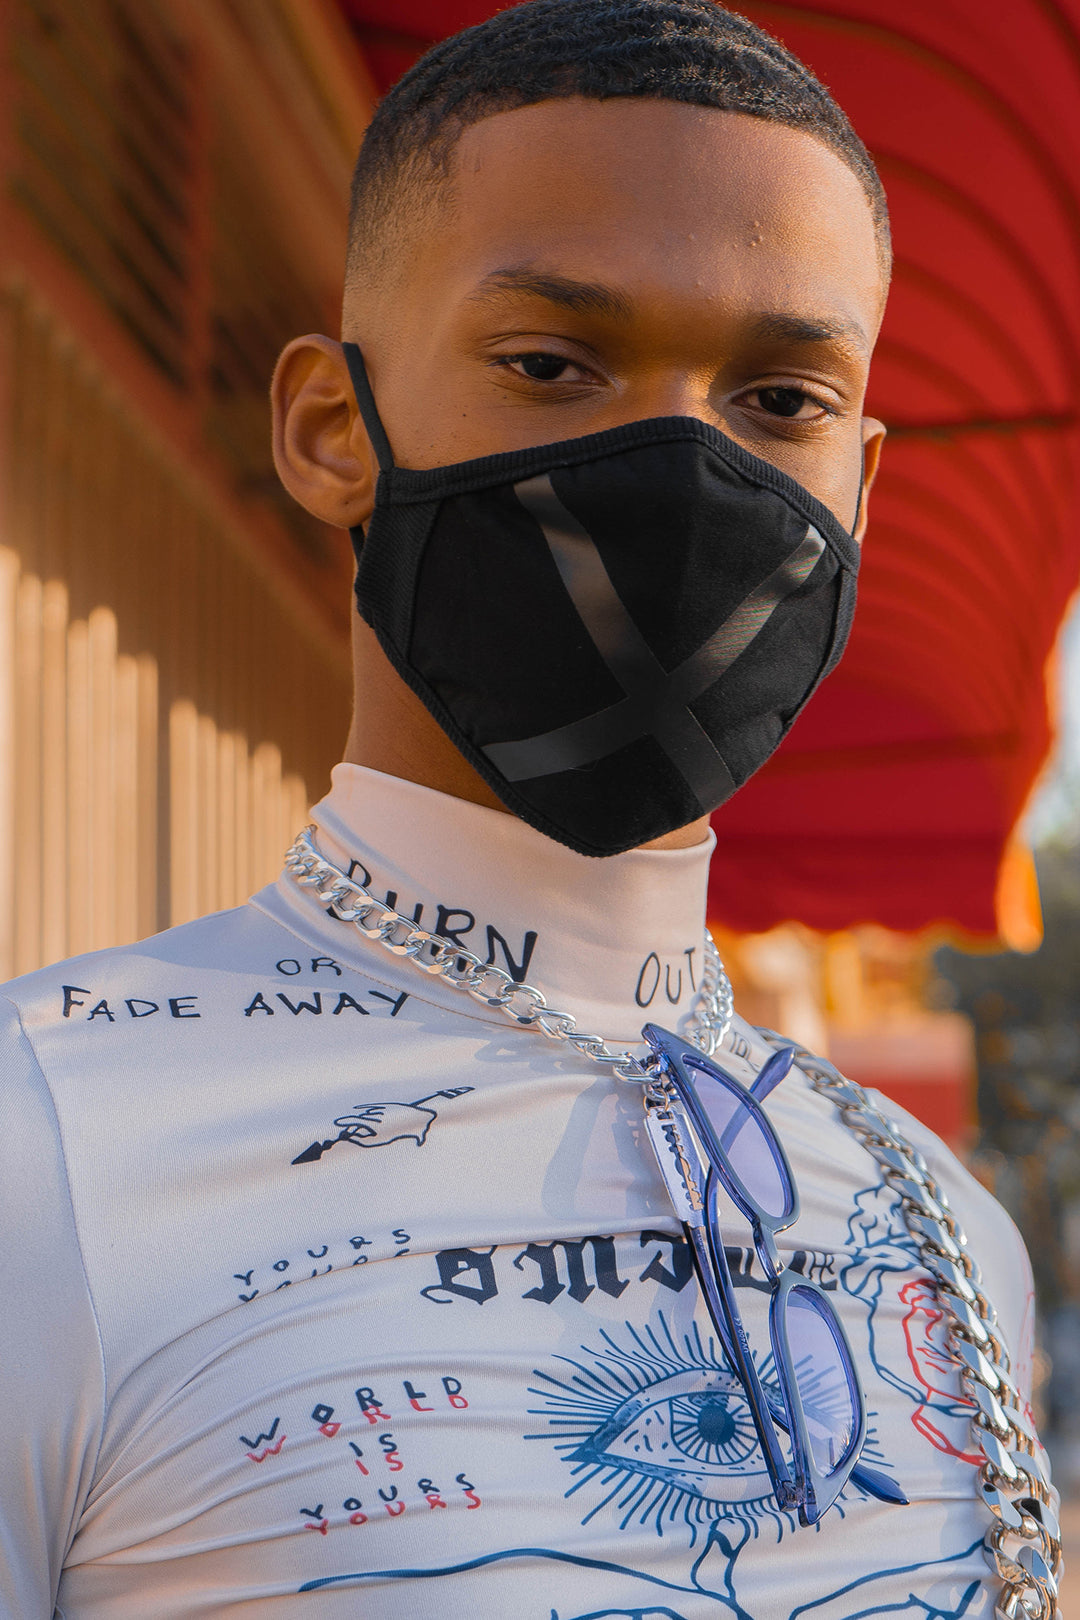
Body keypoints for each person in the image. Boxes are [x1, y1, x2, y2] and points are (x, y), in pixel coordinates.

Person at [0, 3, 1059, 1616]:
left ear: (861, 490)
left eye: (784, 399)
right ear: (332, 430)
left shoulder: (948, 1231)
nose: (680, 469)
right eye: (552, 366)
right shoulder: (47, 1157)